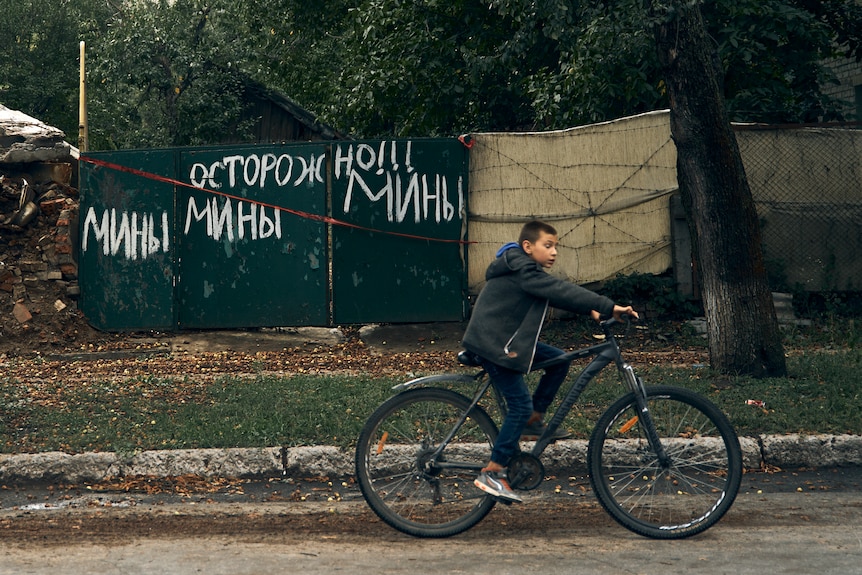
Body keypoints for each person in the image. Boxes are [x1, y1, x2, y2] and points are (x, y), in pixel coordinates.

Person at [462, 220, 638, 503]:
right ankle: (493, 472)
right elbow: (556, 289)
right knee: (517, 406)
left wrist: (593, 310)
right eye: (548, 245)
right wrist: (608, 305)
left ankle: (533, 420)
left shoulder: (522, 269)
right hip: (494, 345)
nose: (554, 252)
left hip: (503, 340)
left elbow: (554, 293)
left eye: (556, 246)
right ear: (528, 247)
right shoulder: (524, 270)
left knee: (557, 360)